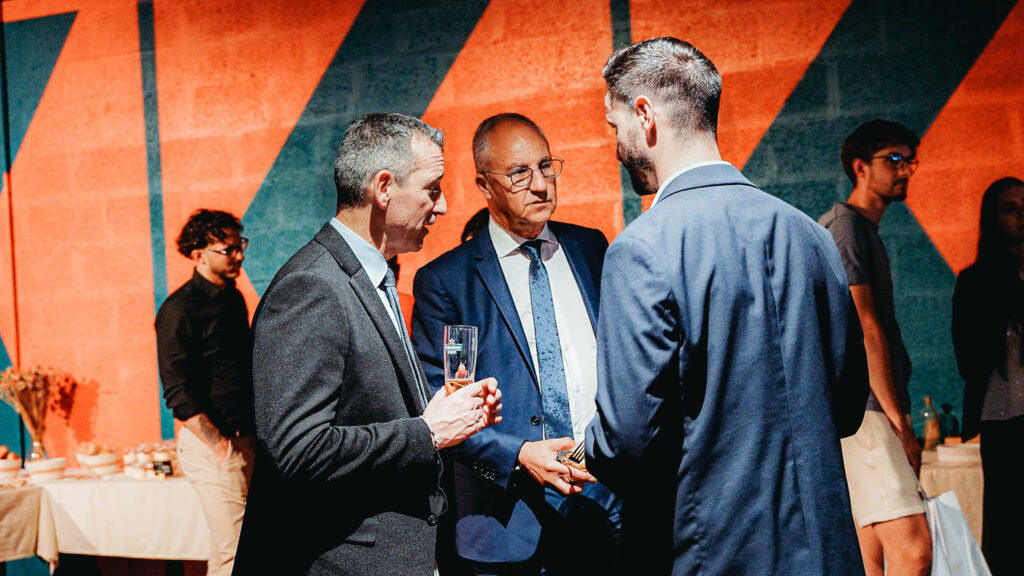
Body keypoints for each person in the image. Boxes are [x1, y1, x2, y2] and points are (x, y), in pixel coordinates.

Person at [585, 36, 869, 576]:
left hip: (709, 553)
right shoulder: (810, 235)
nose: (616, 144)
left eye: (613, 125)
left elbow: (627, 440)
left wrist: (585, 449)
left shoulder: (642, 248)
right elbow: (848, 405)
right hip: (825, 551)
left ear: (644, 115)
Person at [232, 112, 502, 576]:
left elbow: (368, 410)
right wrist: (428, 432)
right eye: (432, 189)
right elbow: (298, 449)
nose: (442, 206)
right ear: (383, 188)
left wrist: (445, 412)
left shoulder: (370, 275)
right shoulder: (312, 286)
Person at [412, 113, 619, 575]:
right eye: (520, 173)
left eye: (546, 166)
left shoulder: (591, 249)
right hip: (507, 521)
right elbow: (437, 402)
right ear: (485, 186)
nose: (541, 185)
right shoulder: (447, 281)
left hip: (606, 506)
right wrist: (519, 455)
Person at [818, 120, 932, 576]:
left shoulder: (862, 230)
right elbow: (865, 326)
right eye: (894, 159)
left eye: (910, 161)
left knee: (869, 556)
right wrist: (899, 421)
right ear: (860, 167)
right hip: (865, 410)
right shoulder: (845, 226)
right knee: (914, 551)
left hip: (866, 409)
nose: (905, 170)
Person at [155, 209, 255, 576]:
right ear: (198, 254)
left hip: (246, 439)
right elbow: (178, 392)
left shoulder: (233, 298)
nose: (238, 255)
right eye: (227, 250)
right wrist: (220, 447)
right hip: (213, 445)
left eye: (240, 245)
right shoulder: (178, 310)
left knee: (234, 551)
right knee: (236, 555)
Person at [952, 176, 1024, 576]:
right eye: (1011, 208)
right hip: (1003, 416)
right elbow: (968, 357)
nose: (1022, 215)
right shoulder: (976, 281)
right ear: (993, 220)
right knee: (1006, 520)